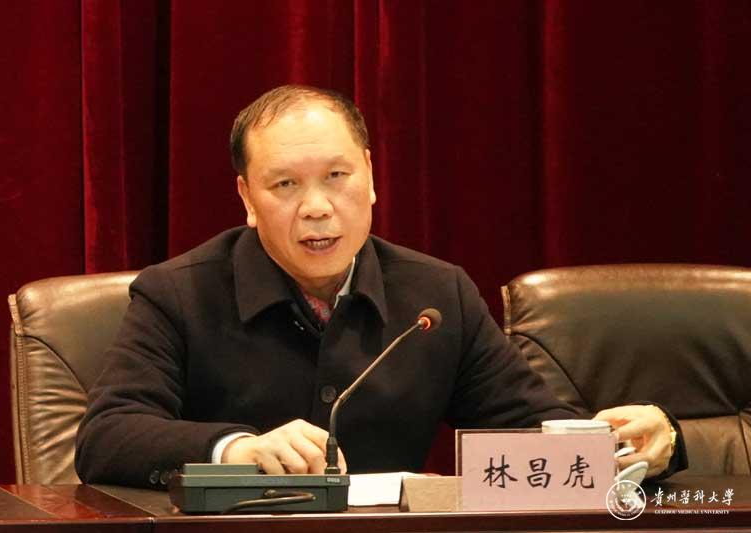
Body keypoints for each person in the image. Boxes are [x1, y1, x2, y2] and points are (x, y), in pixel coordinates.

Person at [75, 85, 686, 489]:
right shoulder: (178, 293)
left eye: (337, 176)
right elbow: (107, 437)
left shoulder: (435, 296)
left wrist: (645, 446)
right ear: (247, 199)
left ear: (370, 176)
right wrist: (237, 449)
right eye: (285, 185)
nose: (317, 207)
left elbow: (537, 436)